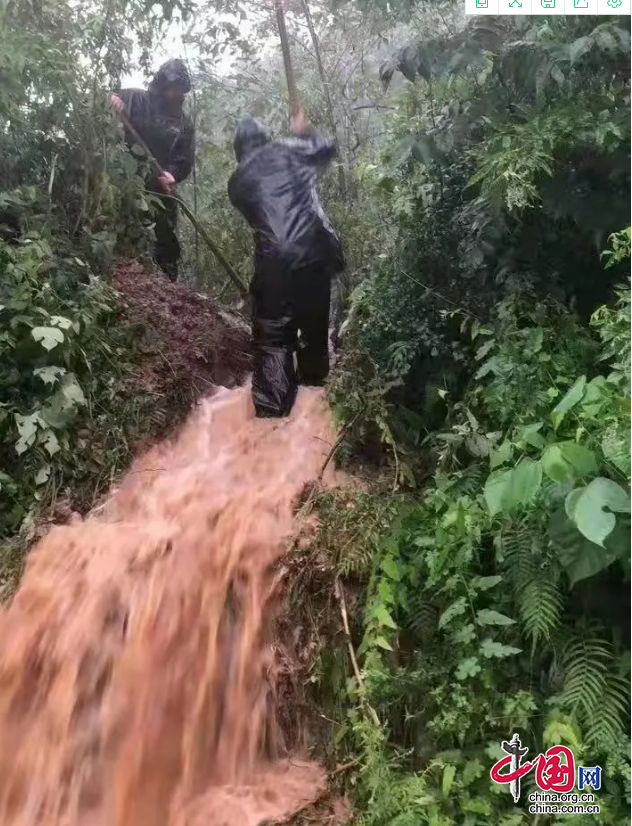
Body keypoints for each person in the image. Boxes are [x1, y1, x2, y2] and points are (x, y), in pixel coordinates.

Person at [227, 109, 345, 418]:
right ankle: (315, 394)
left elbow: (261, 211)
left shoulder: (237, 183)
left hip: (275, 264)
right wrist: (306, 132)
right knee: (316, 329)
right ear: (266, 138)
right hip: (317, 254)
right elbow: (328, 147)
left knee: (274, 337)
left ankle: (273, 414)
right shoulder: (290, 150)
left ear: (240, 150)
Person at [110, 59, 195, 282]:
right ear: (161, 84)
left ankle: (168, 282)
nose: (174, 93)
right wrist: (113, 99)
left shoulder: (184, 123)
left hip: (160, 185)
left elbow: (184, 159)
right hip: (128, 179)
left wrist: (173, 174)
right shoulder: (137, 99)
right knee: (126, 224)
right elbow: (108, 97)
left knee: (165, 236)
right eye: (171, 87)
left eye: (179, 89)